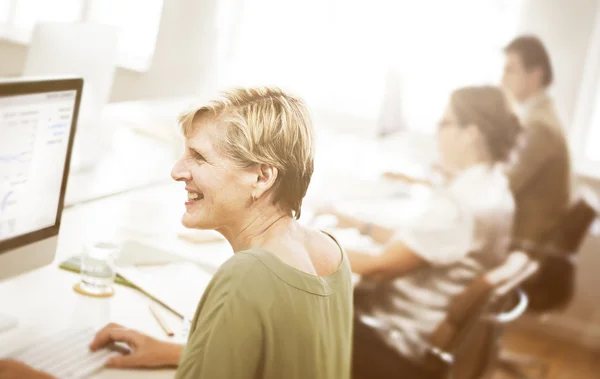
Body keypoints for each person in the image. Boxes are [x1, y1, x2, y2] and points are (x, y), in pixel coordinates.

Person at [0, 87, 353, 379]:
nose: (177, 171)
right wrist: (183, 353)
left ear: (261, 177)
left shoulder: (250, 274)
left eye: (198, 157)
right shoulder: (329, 251)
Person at [317, 86, 520, 378]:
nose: (437, 132)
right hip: (417, 335)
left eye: (444, 124)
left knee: (285, 315)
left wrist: (303, 241)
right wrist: (359, 225)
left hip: (394, 345)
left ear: (471, 133)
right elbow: (428, 246)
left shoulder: (460, 204)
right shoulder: (495, 190)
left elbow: (379, 268)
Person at [502, 35, 572, 250]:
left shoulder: (540, 125)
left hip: (525, 242)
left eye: (510, 70)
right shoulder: (540, 115)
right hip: (527, 236)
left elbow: (504, 185)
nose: (502, 79)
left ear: (535, 74)